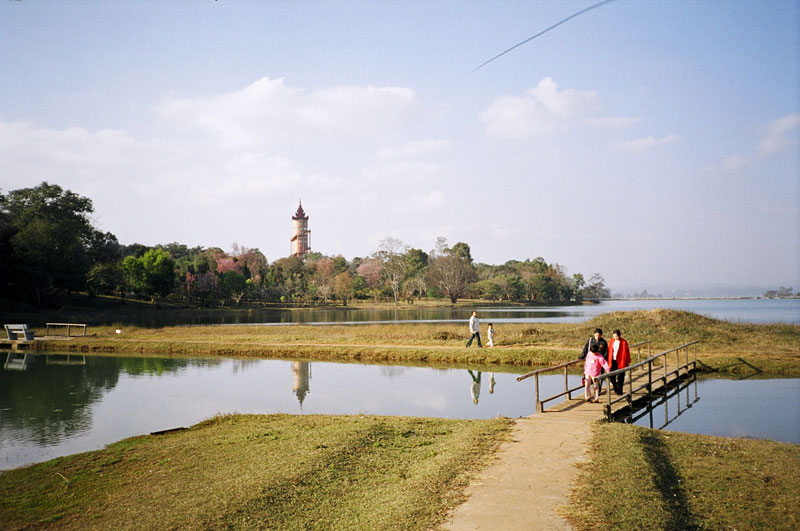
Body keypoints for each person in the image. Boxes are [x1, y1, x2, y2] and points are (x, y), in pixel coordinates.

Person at [608, 329, 631, 395]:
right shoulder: (611, 341)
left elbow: (627, 351)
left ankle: (619, 391)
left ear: (619, 335)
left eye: (617, 336)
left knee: (621, 377)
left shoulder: (623, 342)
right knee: (611, 377)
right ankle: (616, 387)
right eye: (614, 336)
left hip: (621, 360)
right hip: (612, 360)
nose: (615, 338)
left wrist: (628, 361)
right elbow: (609, 350)